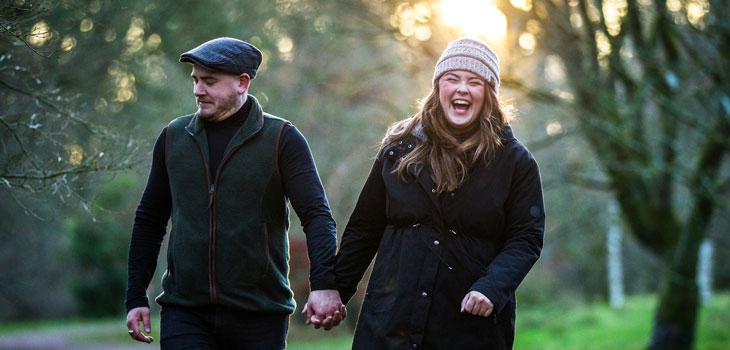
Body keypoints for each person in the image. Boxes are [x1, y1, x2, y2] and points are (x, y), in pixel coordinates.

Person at [315, 37, 546, 348]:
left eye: (474, 82)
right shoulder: (399, 148)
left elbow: (526, 238)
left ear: (489, 94)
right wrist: (335, 290)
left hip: (467, 329)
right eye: (452, 79)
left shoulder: (515, 162)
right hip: (390, 322)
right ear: (438, 88)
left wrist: (492, 287)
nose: (462, 88)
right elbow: (364, 228)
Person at [124, 37, 345, 349]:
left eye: (209, 81)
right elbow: (149, 221)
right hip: (185, 311)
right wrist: (136, 296)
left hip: (260, 315)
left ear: (242, 83)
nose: (198, 90)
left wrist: (323, 284)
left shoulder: (282, 139)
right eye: (196, 80)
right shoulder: (174, 138)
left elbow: (316, 216)